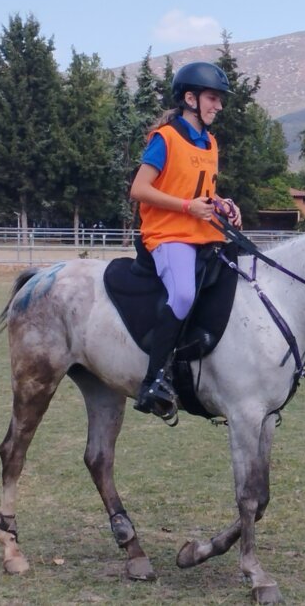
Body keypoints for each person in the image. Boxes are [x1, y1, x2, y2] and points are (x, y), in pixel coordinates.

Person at [128, 61, 242, 421]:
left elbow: (201, 190)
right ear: (190, 98)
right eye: (212, 98)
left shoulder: (209, 142)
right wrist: (186, 207)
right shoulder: (165, 139)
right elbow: (139, 189)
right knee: (182, 294)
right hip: (167, 233)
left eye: (219, 100)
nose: (218, 106)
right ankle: (153, 381)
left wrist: (222, 203)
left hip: (202, 231)